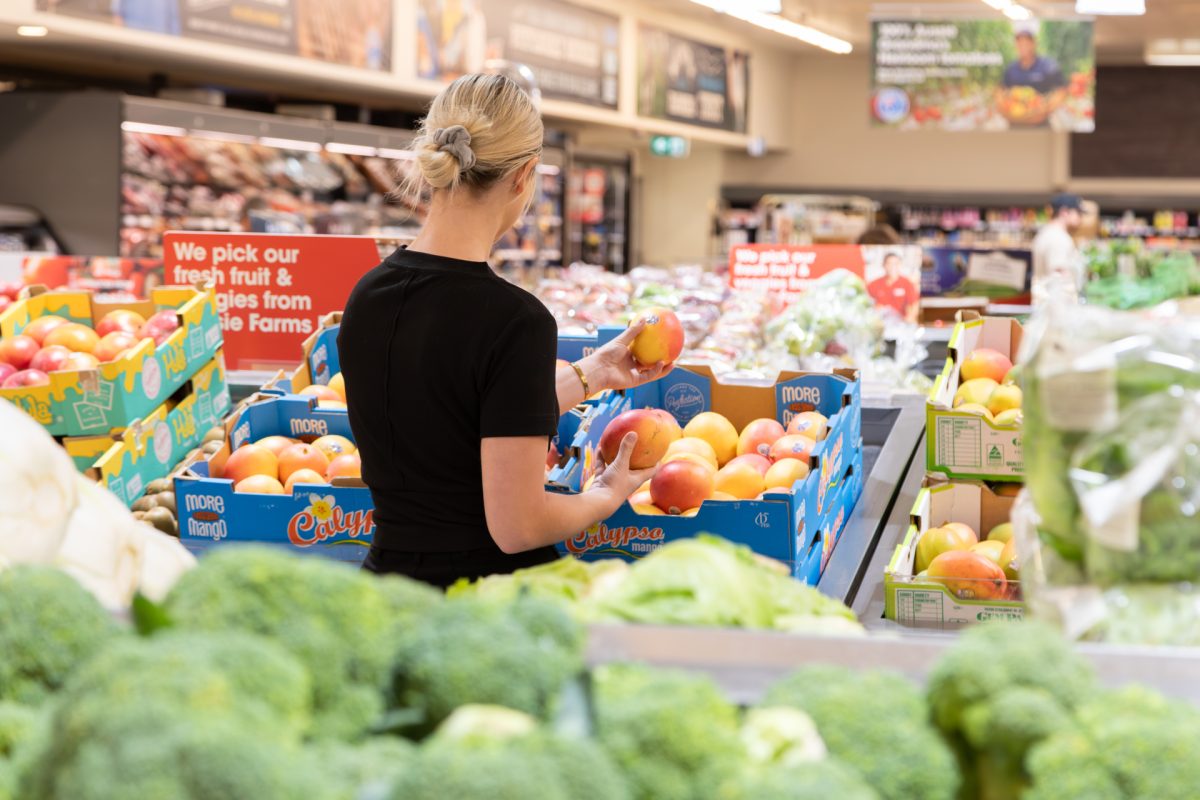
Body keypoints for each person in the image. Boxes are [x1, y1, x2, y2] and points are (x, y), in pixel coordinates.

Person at [338, 74, 670, 589]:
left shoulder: (367, 294)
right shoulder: (515, 319)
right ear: (523, 176)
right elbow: (518, 527)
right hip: (482, 603)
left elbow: (455, 422)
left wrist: (594, 373)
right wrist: (606, 493)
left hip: (387, 589)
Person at [997, 23, 1067, 127]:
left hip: (1041, 125)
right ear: (1016, 45)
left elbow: (1061, 91)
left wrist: (1046, 109)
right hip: (1015, 124)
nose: (1023, 46)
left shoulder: (1047, 66)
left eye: (1027, 42)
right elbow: (1001, 91)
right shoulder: (1010, 69)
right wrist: (1004, 107)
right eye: (1020, 42)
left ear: (1034, 43)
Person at [1031, 193, 1084, 304]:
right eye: (1078, 213)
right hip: (1055, 311)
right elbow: (1059, 277)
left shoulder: (1046, 233)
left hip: (1046, 308)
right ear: (1064, 212)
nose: (1081, 219)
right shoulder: (1058, 238)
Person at [867, 252, 919, 323]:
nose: (892, 267)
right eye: (889, 264)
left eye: (896, 264)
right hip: (880, 322)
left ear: (900, 265)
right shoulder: (874, 284)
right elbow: (865, 301)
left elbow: (914, 304)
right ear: (884, 265)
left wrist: (910, 317)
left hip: (900, 323)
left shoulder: (907, 283)